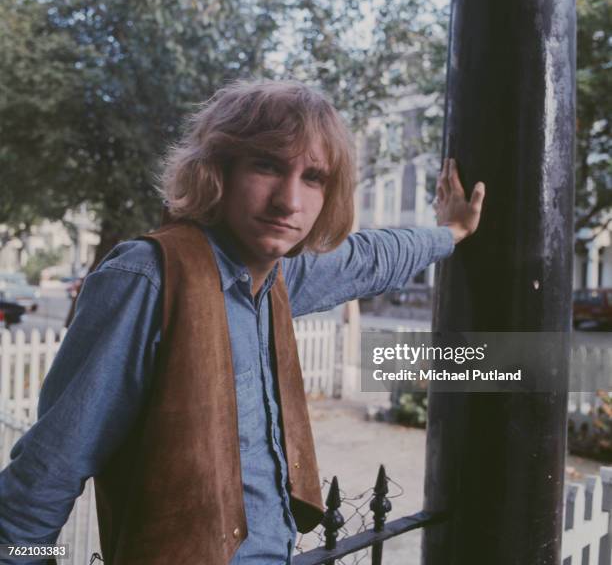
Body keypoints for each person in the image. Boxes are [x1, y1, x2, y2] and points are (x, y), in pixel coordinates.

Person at [0, 79, 485, 565]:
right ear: (218, 169)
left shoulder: (278, 275)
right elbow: (43, 479)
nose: (289, 202)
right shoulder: (147, 279)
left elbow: (370, 258)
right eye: (268, 165)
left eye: (313, 177)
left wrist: (453, 231)